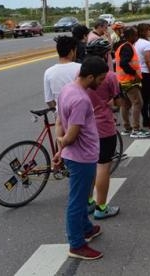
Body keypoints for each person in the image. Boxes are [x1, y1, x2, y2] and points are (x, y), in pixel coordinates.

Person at [52, 56, 109, 261]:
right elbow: (71, 134)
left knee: (83, 196)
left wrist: (60, 151)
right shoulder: (81, 100)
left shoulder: (67, 90)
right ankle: (76, 244)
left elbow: (60, 121)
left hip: (76, 155)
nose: (102, 83)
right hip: (81, 157)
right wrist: (62, 142)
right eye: (101, 79)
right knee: (77, 201)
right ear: (90, 76)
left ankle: (85, 228)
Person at [83, 39, 121, 219]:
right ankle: (101, 207)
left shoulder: (80, 74)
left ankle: (89, 202)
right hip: (104, 127)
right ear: (106, 54)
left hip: (84, 127)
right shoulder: (110, 76)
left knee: (89, 165)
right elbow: (118, 102)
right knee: (103, 166)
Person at [115, 27, 149, 138]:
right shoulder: (127, 47)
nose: (137, 37)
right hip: (129, 80)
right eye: (135, 35)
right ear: (129, 36)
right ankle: (136, 129)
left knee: (125, 104)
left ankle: (127, 128)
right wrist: (134, 74)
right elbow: (124, 64)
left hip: (122, 80)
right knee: (137, 102)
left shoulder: (121, 45)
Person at [44, 36, 81, 110]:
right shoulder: (81, 68)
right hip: (80, 113)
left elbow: (49, 100)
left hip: (61, 117)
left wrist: (58, 112)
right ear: (72, 51)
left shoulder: (48, 72)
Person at [135, 23, 150, 129]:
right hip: (148, 73)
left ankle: (145, 120)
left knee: (143, 99)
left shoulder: (136, 43)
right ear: (145, 31)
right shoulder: (146, 44)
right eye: (149, 30)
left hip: (139, 73)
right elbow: (148, 61)